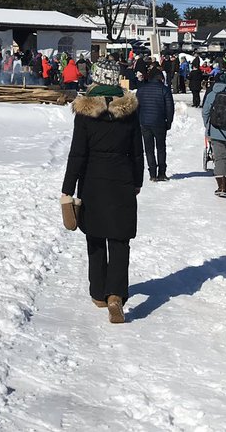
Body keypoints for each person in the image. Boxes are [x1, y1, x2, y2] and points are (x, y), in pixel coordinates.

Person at [61, 83, 143, 324]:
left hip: (92, 183)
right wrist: (137, 181)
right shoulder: (128, 112)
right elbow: (137, 151)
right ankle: (115, 294)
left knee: (95, 237)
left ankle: (98, 293)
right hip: (122, 181)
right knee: (120, 240)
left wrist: (68, 188)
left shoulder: (85, 113)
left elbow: (77, 153)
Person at [135, 64, 175, 182]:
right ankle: (162, 173)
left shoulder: (141, 90)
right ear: (160, 78)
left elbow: (136, 107)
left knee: (149, 149)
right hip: (160, 122)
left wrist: (138, 121)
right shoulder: (164, 89)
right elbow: (170, 108)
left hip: (144, 123)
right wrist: (169, 122)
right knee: (161, 148)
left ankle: (152, 173)